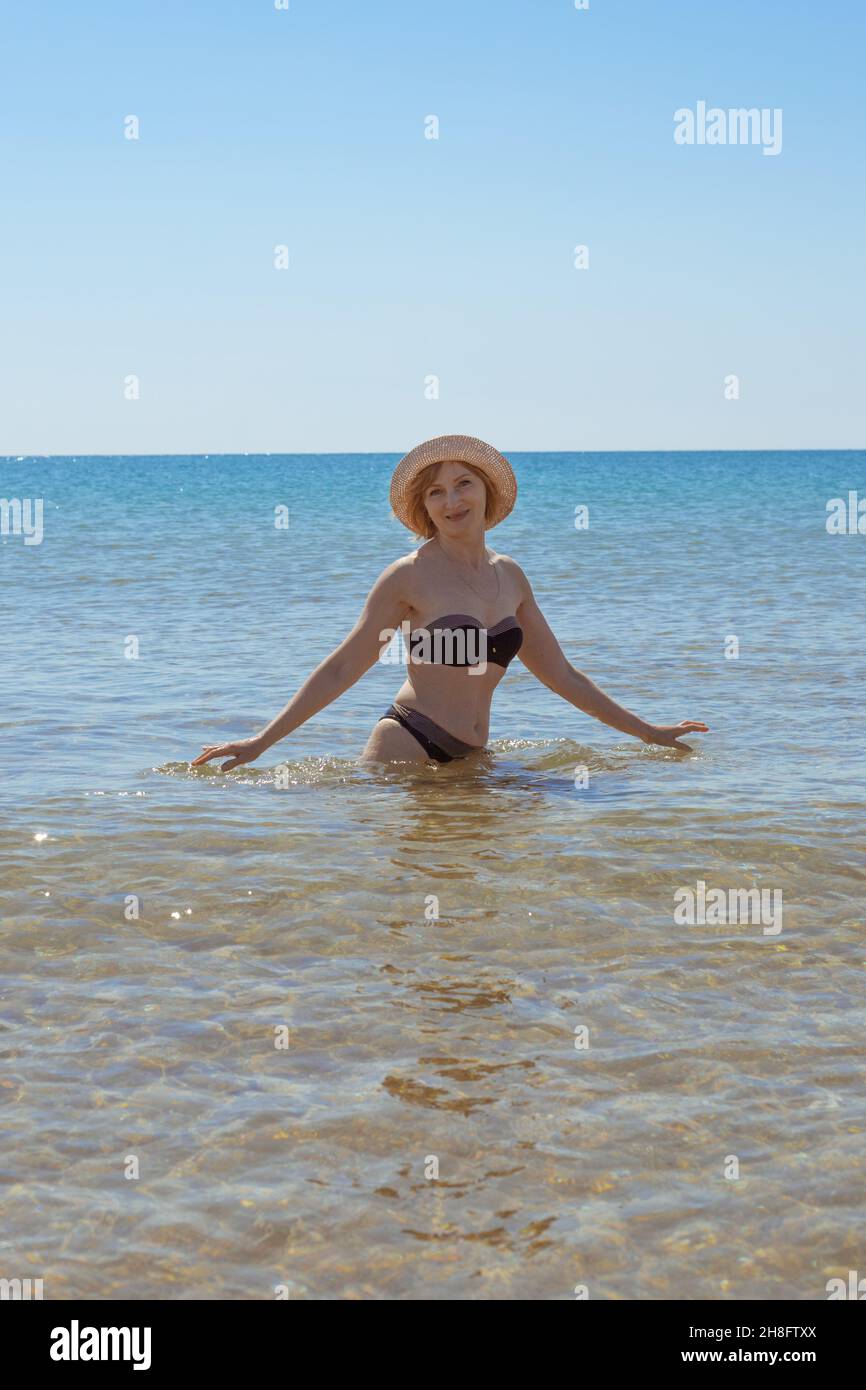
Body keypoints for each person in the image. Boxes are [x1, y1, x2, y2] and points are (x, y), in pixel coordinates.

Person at [191, 434, 709, 769]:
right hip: (407, 747)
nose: (452, 501)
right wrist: (260, 742)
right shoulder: (407, 577)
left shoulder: (511, 577)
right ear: (424, 507)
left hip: (475, 758)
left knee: (482, 902)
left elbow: (564, 676)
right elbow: (342, 667)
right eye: (436, 492)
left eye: (463, 484)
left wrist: (649, 732)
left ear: (485, 492)